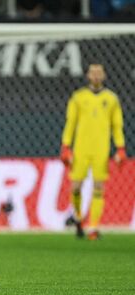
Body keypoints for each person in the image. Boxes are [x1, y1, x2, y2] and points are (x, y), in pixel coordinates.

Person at [60, 63, 127, 240]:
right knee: (75, 187)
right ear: (88, 75)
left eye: (99, 72)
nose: (96, 75)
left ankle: (94, 227)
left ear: (104, 75)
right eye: (93, 73)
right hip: (81, 149)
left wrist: (120, 148)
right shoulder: (78, 97)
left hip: (101, 149)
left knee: (99, 187)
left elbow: (117, 126)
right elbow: (70, 123)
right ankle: (79, 219)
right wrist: (65, 146)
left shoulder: (112, 99)